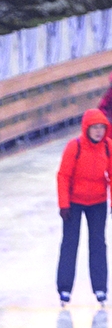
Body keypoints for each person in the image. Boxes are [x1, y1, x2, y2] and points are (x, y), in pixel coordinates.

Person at [56, 109, 111, 306]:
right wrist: (64, 204)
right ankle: (64, 288)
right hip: (75, 202)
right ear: (86, 129)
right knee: (70, 244)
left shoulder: (108, 147)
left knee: (98, 244)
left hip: (98, 202)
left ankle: (100, 287)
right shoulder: (75, 147)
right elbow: (63, 176)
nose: (98, 132)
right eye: (94, 128)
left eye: (102, 128)